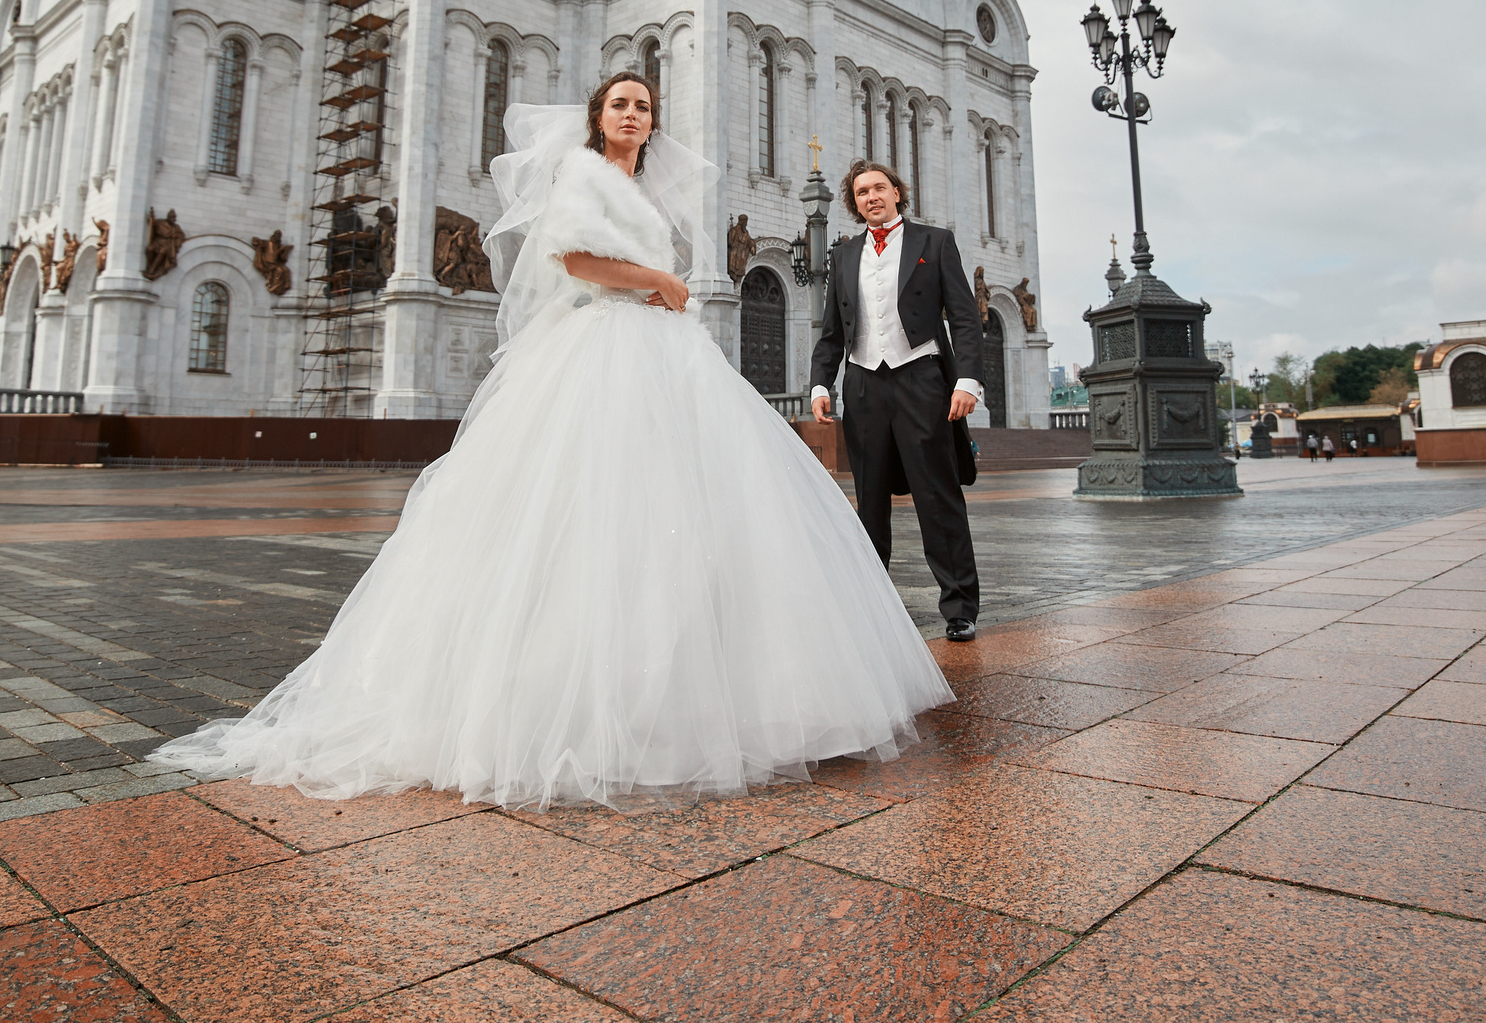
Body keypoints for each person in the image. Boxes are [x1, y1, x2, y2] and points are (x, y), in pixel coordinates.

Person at [148, 74, 951, 808]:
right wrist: (660, 282)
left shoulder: (636, 183)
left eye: (643, 106)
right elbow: (573, 259)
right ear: (598, 118)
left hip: (659, 352)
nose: (633, 115)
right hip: (606, 346)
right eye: (620, 104)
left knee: (682, 513)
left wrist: (658, 289)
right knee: (589, 506)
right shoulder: (583, 173)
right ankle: (584, 707)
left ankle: (699, 691)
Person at [809, 161, 987, 642]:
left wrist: (967, 381)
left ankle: (959, 606)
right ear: (854, 201)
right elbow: (831, 331)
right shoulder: (843, 255)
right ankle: (873, 602)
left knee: (937, 495)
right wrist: (821, 384)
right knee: (869, 501)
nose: (871, 197)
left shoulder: (935, 242)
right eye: (862, 191)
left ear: (896, 193)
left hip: (922, 380)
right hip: (864, 385)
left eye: (879, 188)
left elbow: (965, 319)